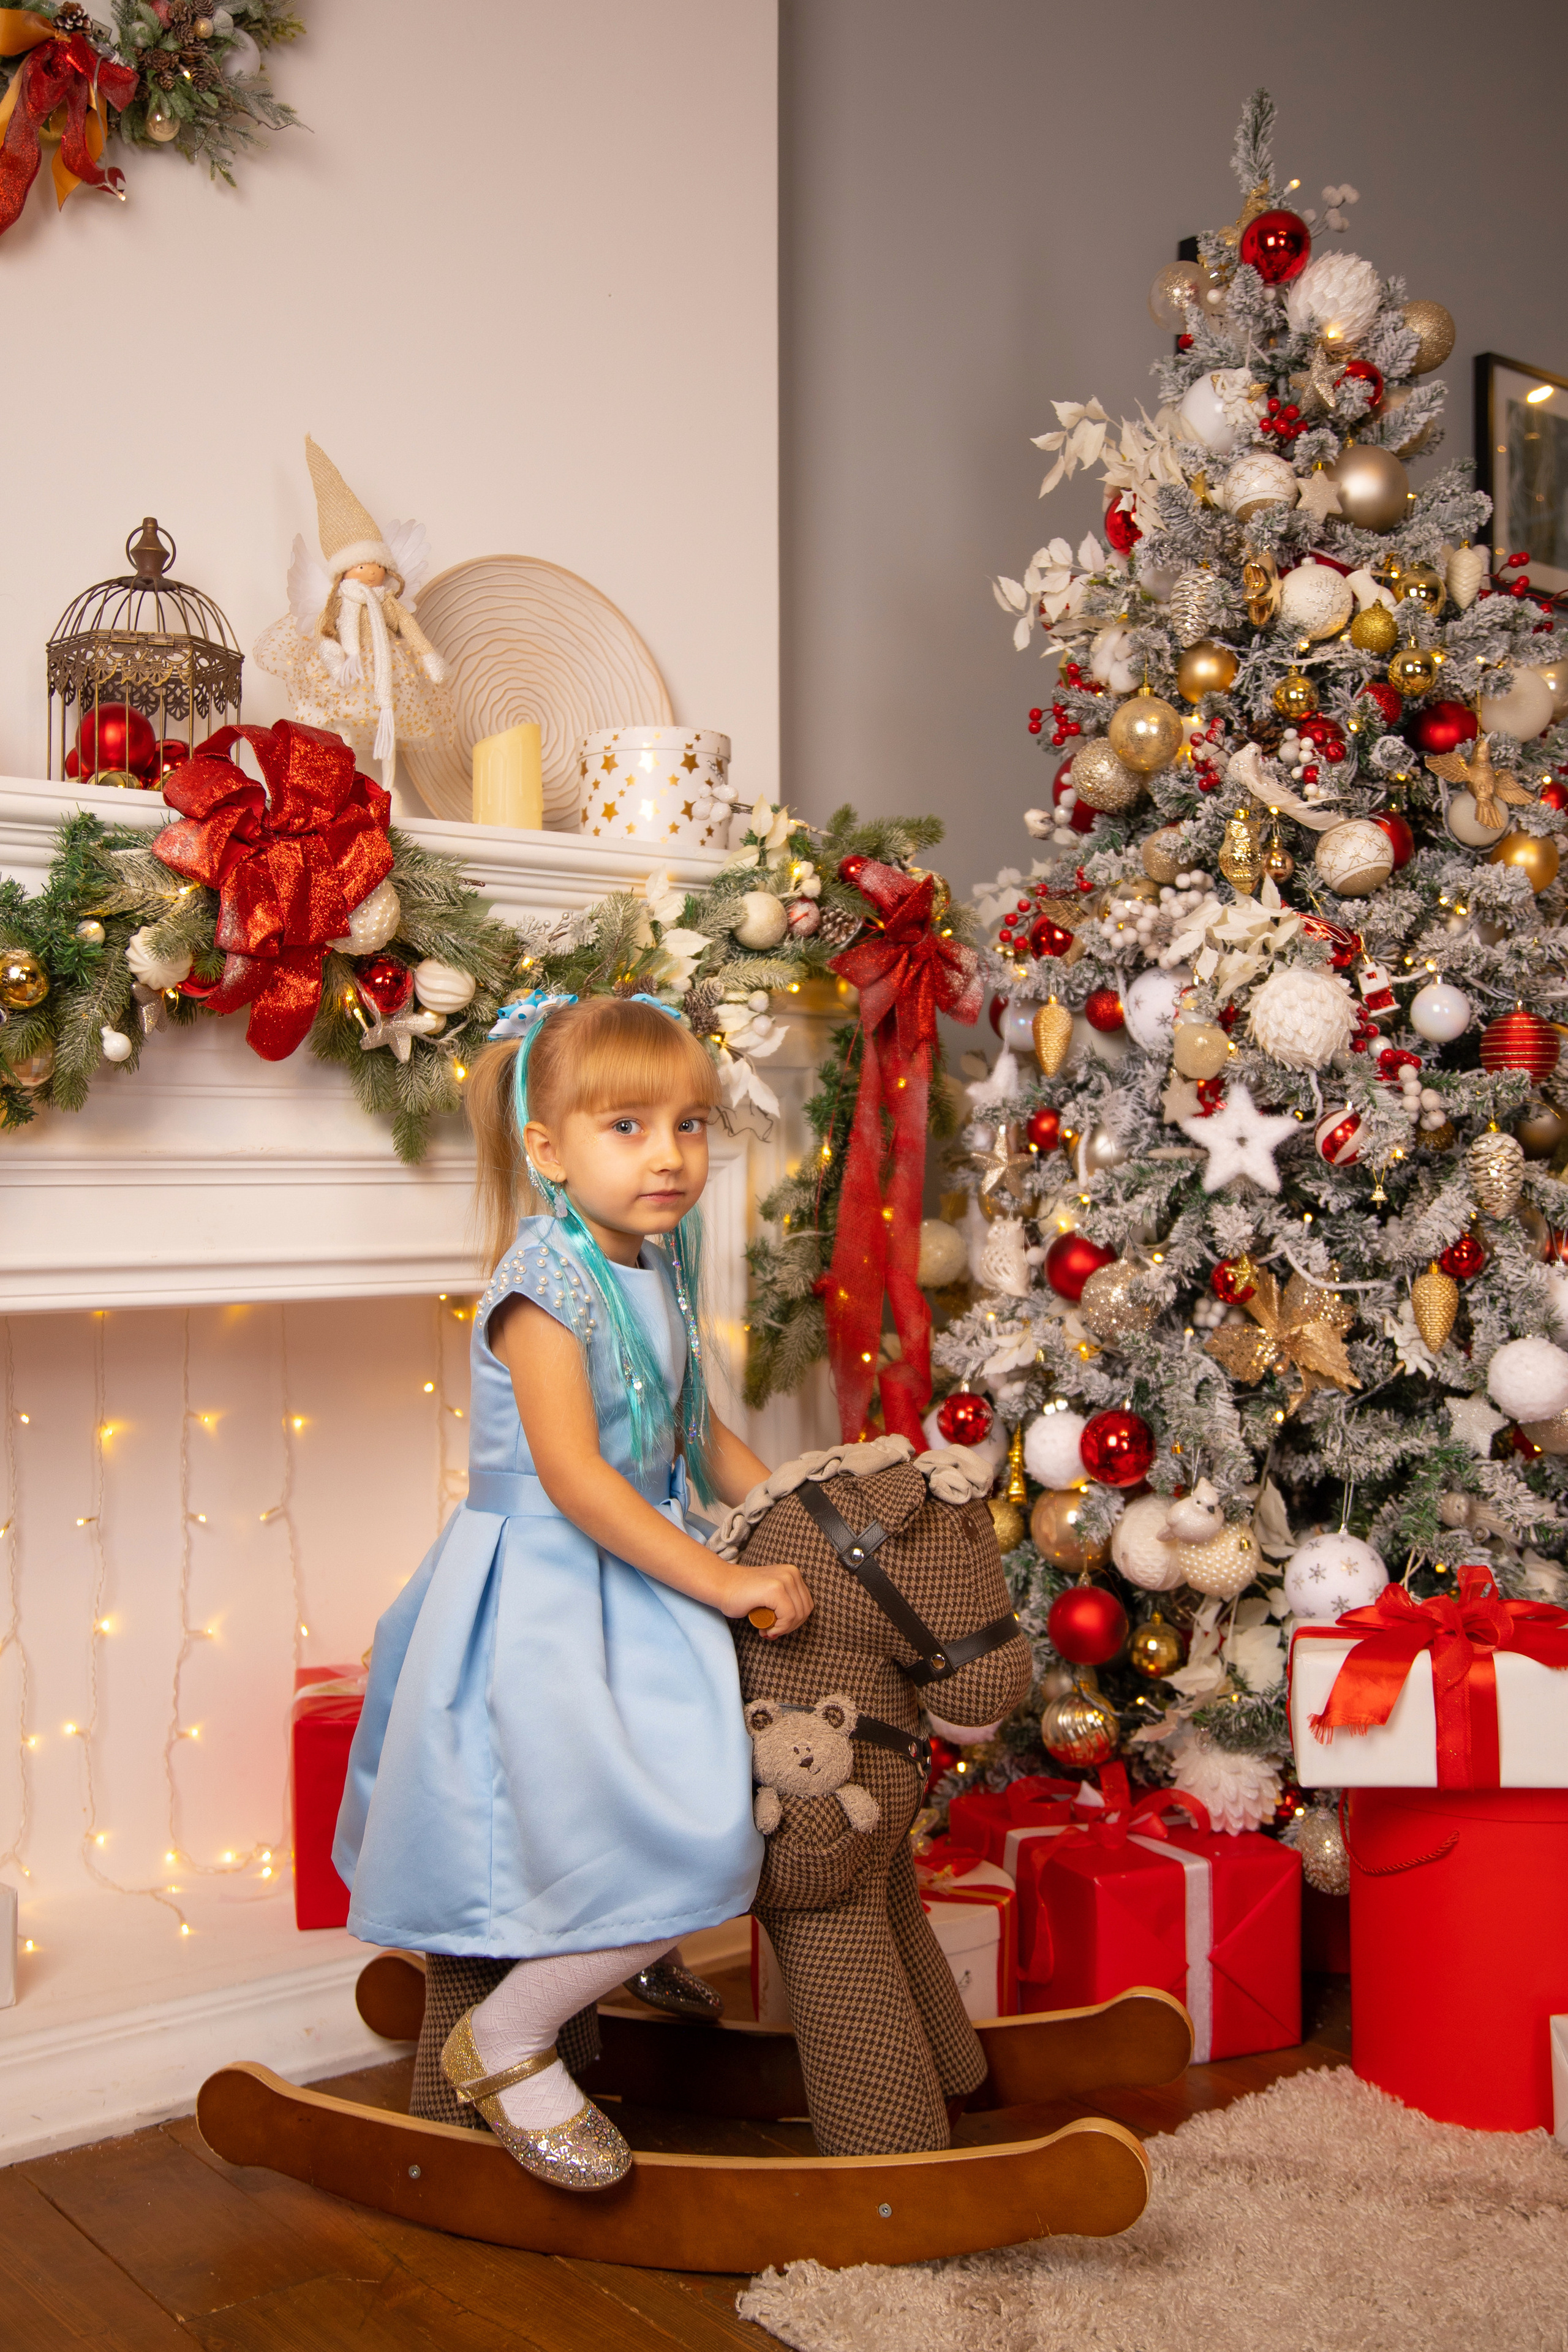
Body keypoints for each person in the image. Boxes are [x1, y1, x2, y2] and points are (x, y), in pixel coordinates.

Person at [334, 992, 810, 2190]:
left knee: (691, 1784)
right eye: (627, 1127)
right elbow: (581, 1480)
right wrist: (722, 1579)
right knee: (681, 1820)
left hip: (634, 1573)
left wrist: (802, 1518)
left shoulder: (655, 1259)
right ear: (546, 1151)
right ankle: (506, 2037)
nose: (668, 1155)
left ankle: (610, 1948)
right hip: (547, 1587)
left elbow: (697, 1441)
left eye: (690, 1126)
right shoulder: (546, 1277)